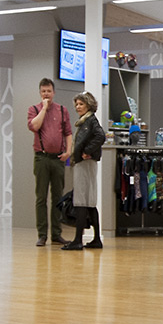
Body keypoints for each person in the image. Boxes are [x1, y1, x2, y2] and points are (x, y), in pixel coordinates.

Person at [27, 78, 72, 247]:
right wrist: (44, 108)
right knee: (41, 197)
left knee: (58, 197)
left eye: (49, 91)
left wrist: (68, 151)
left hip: (58, 158)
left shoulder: (62, 110)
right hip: (42, 158)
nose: (46, 94)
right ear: (40, 93)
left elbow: (68, 133)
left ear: (54, 92)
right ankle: (42, 235)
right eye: (43, 91)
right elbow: (34, 126)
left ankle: (56, 234)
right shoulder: (33, 109)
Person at [63, 91, 107, 250]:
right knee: (88, 202)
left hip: (85, 164)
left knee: (81, 201)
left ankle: (78, 240)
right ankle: (96, 239)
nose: (78, 107)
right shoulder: (85, 121)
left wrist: (87, 151)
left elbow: (101, 136)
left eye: (81, 104)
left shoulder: (90, 121)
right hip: (85, 164)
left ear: (89, 105)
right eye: (76, 104)